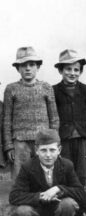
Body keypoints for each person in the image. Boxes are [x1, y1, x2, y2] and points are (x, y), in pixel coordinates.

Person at [8, 129, 85, 216]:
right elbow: (14, 196)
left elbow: (80, 192)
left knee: (68, 204)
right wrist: (40, 196)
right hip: (37, 208)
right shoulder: (27, 167)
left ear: (59, 150)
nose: (48, 155)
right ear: (36, 150)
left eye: (52, 150)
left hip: (58, 206)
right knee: (23, 211)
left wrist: (59, 189)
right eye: (43, 150)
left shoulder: (67, 165)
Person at [53, 49, 86, 216]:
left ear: (80, 71)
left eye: (76, 69)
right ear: (61, 71)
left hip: (83, 142)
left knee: (80, 181)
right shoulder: (54, 90)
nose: (72, 73)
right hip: (63, 142)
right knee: (63, 178)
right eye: (68, 69)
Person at [3, 47, 59, 179]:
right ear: (18, 68)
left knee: (44, 177)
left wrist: (54, 142)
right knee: (20, 178)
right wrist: (9, 146)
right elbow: (6, 120)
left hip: (43, 142)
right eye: (23, 65)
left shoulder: (46, 87)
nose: (28, 68)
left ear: (38, 67)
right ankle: (20, 199)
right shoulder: (11, 89)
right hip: (20, 143)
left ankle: (45, 199)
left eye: (32, 65)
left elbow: (54, 118)